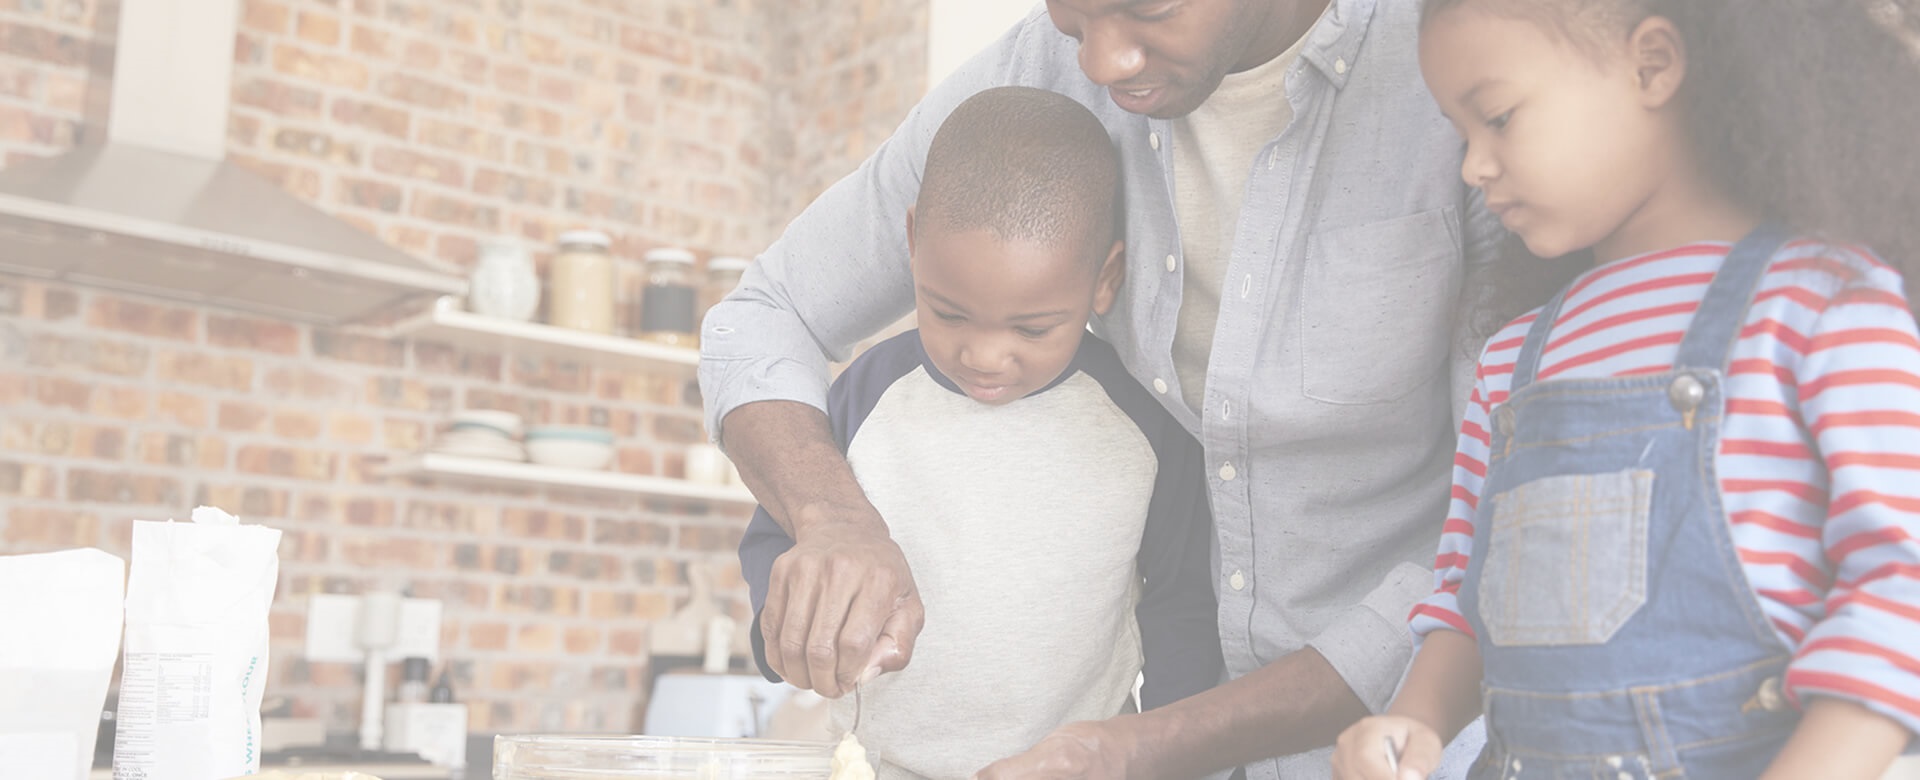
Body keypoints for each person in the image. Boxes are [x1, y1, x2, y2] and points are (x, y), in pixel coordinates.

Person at [699, 0, 1504, 776]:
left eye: (1149, 10)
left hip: (1413, 744)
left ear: (1102, 279)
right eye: (1073, 16)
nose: (1100, 62)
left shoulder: (1466, 77)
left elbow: (1497, 522)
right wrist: (826, 521)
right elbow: (766, 315)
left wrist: (1158, 745)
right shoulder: (1034, 79)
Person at [1331, 0, 1920, 777]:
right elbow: (1466, 603)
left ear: (1653, 66)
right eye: (1461, 133)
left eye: (1499, 117)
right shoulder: (1512, 362)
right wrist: (1410, 720)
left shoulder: (1823, 306)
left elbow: (1898, 590)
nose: (1474, 165)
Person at [737, 86, 1224, 780]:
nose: (985, 356)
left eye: (1032, 328)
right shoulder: (868, 396)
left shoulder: (1146, 420)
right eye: (949, 313)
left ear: (1103, 279)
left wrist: (1173, 760)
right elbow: (779, 534)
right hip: (873, 766)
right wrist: (791, 629)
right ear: (912, 245)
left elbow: (1183, 601)